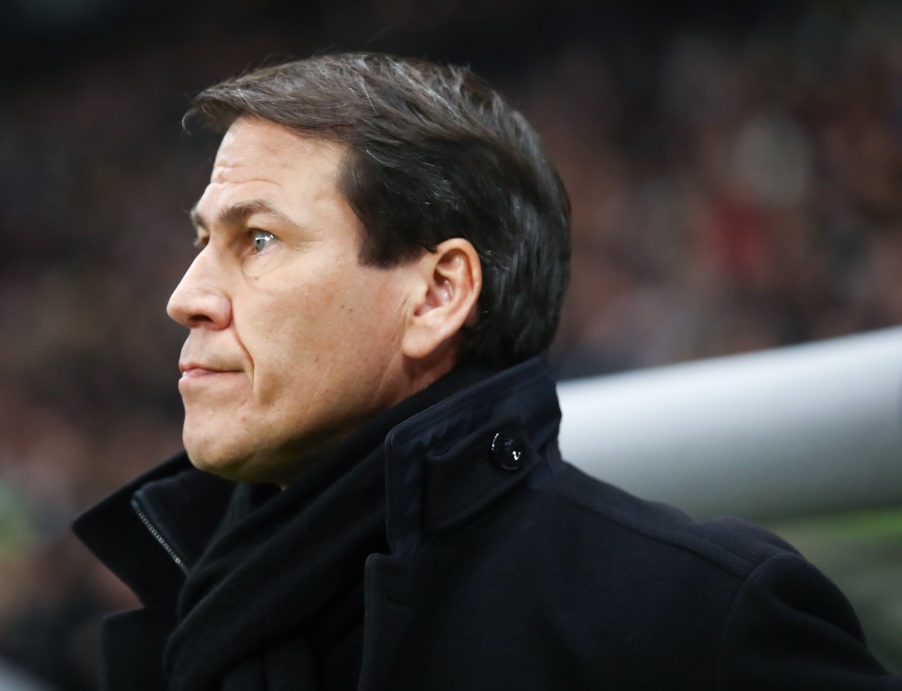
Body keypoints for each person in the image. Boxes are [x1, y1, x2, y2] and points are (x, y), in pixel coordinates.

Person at [73, 52, 900, 690]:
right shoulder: (187, 621)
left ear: (437, 294)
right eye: (200, 240)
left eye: (258, 240)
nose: (186, 297)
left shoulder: (694, 618)